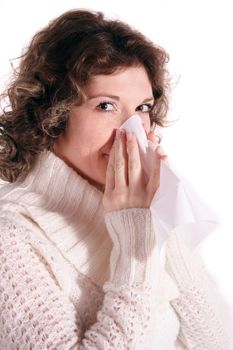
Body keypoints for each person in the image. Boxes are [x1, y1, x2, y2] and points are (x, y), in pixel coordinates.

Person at [0, 9, 230, 350]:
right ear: (52, 116)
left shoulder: (141, 214)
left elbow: (217, 341)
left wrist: (160, 219)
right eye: (106, 106)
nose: (132, 130)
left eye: (142, 108)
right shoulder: (12, 237)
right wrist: (136, 243)